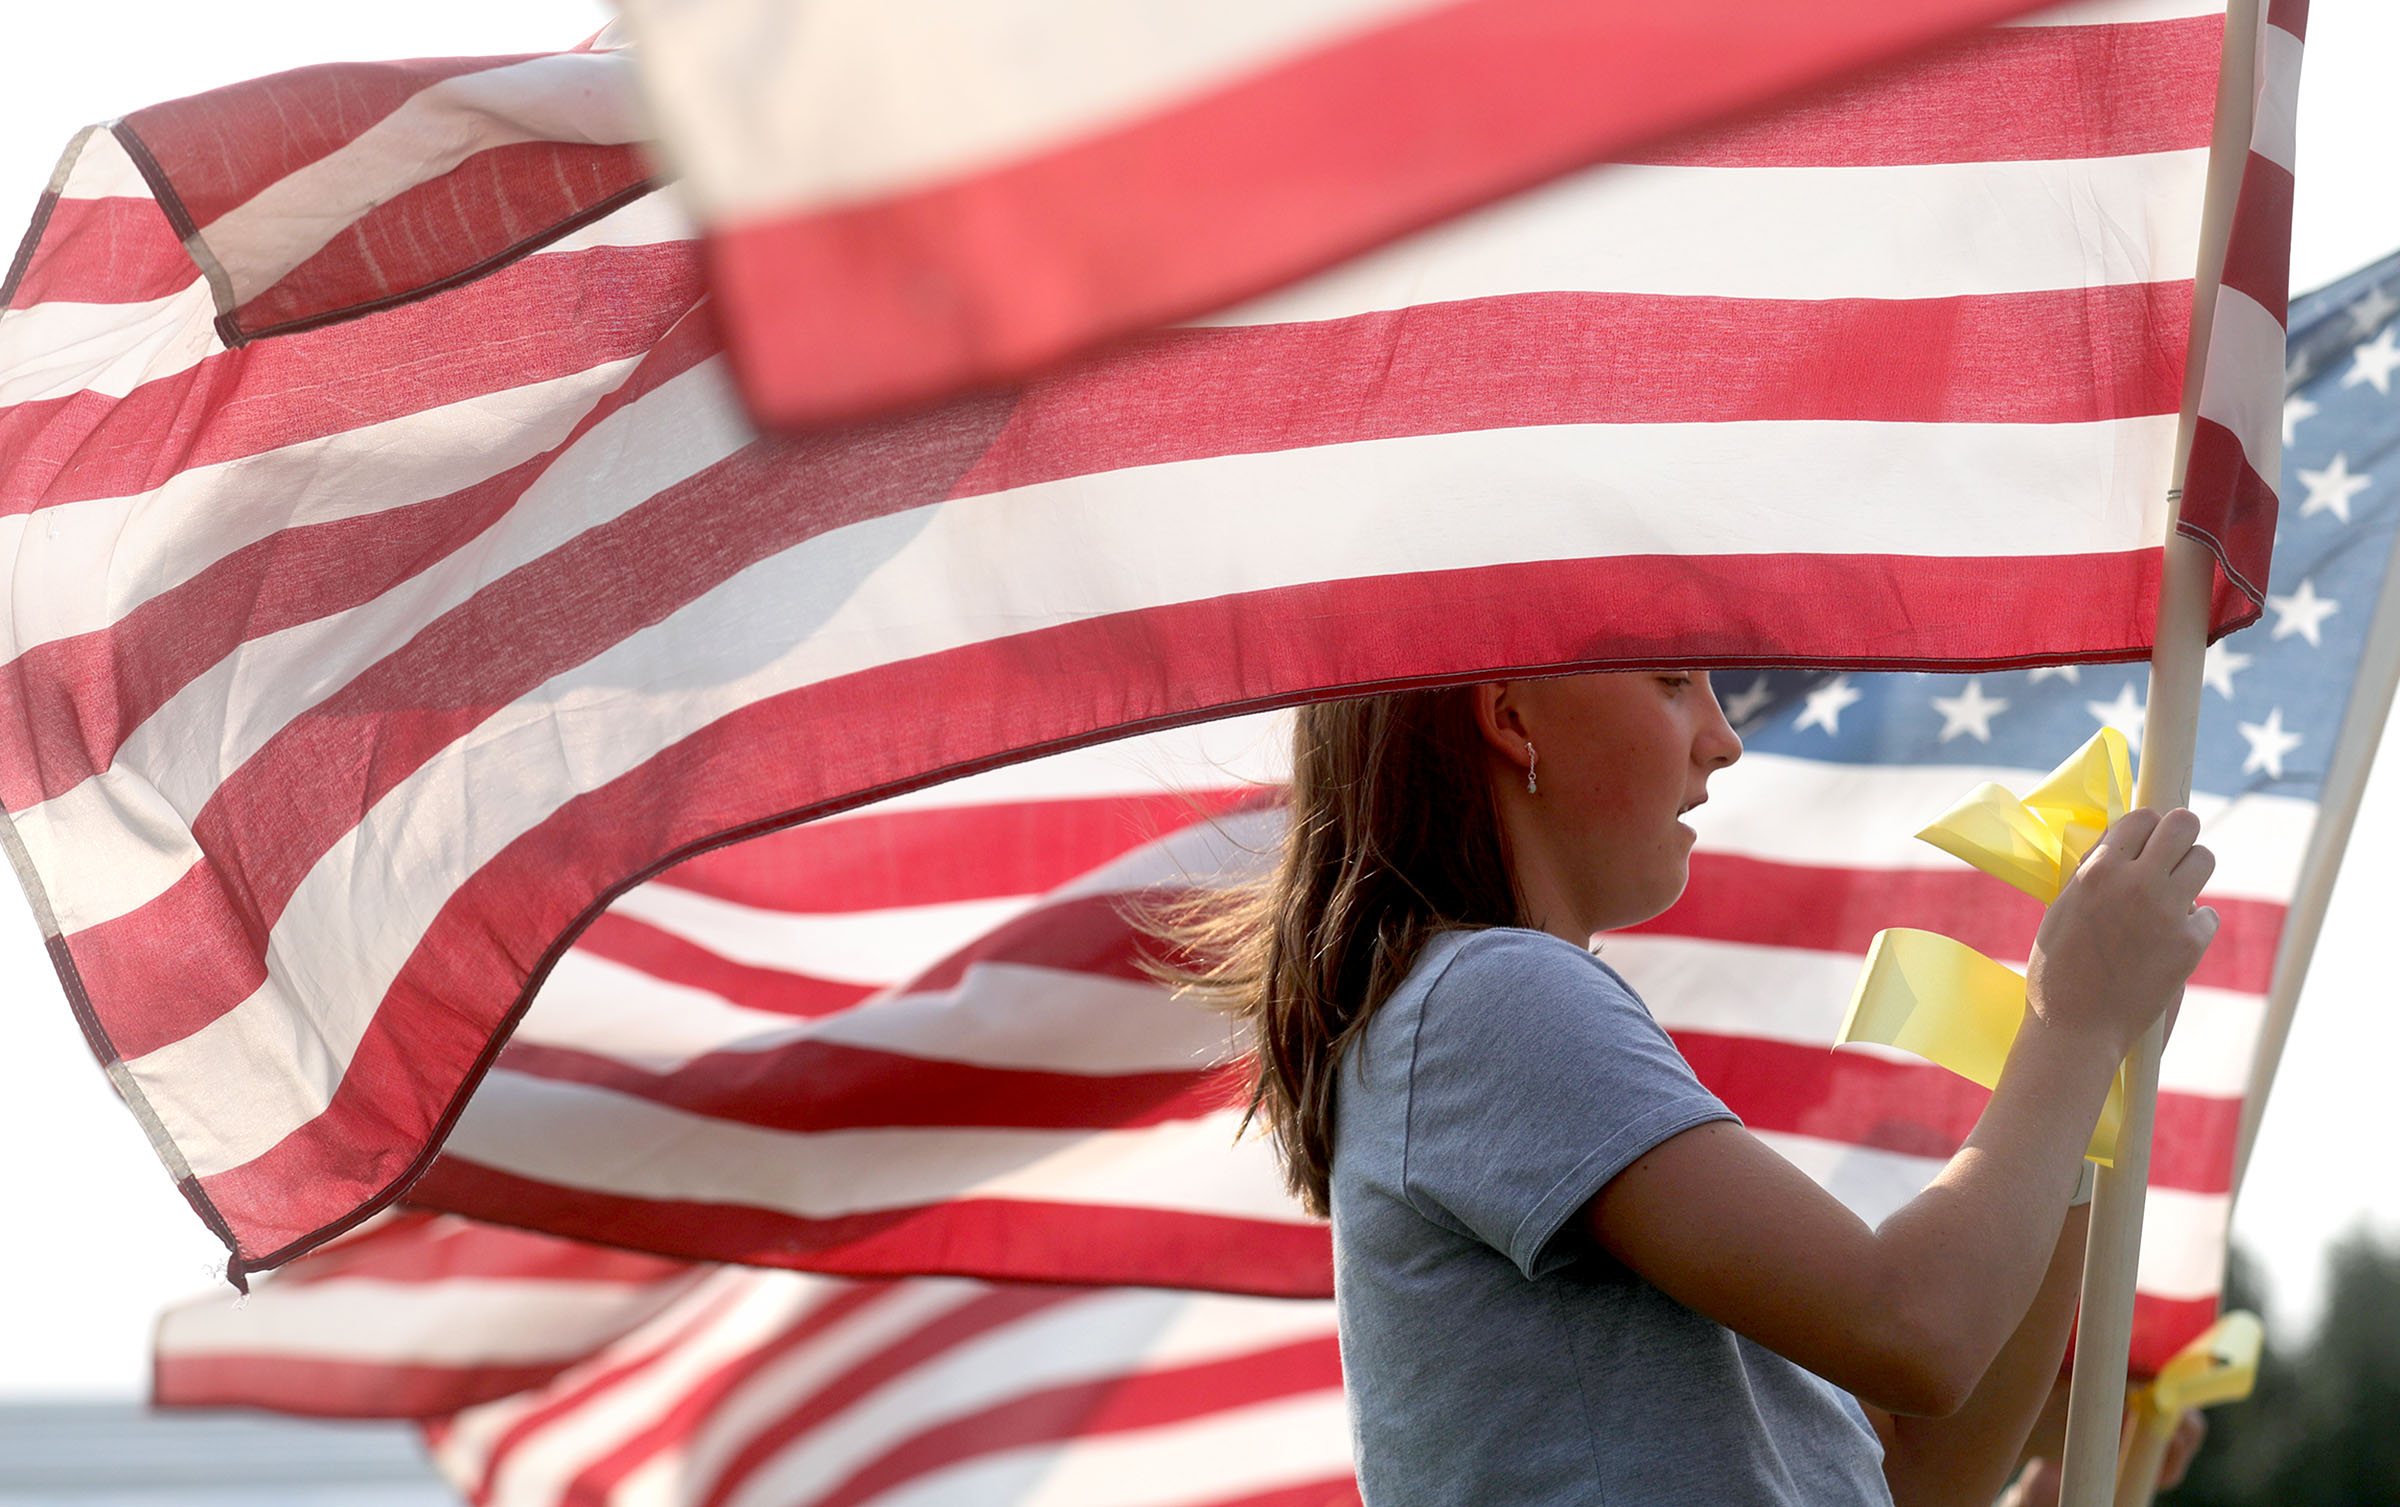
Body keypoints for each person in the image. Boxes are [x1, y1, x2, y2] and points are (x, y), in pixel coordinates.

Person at [1183, 672, 2217, 1506]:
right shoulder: (1491, 995)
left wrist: (2080, 1098)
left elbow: (1916, 1475)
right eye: (1672, 679)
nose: (1722, 737)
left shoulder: (1468, 1007)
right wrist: (2070, 1024)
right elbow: (1913, 1326)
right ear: (1508, 714)